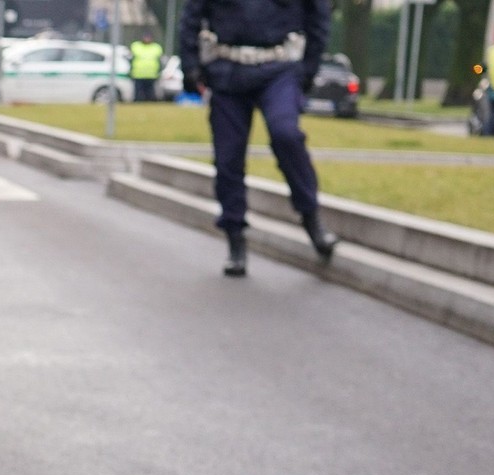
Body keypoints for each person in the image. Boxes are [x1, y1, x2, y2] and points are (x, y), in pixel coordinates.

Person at [179, 0, 338, 276]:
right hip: (228, 69)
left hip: (278, 67)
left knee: (286, 134)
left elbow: (319, 15)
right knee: (228, 157)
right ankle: (235, 239)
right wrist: (190, 64)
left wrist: (309, 68)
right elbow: (191, 15)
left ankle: (311, 217)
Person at [130, 30, 167, 101]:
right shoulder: (136, 46)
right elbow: (131, 59)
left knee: (150, 94)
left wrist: (159, 72)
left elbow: (160, 61)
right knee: (138, 94)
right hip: (138, 74)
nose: (147, 39)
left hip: (152, 75)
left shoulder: (156, 47)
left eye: (148, 37)